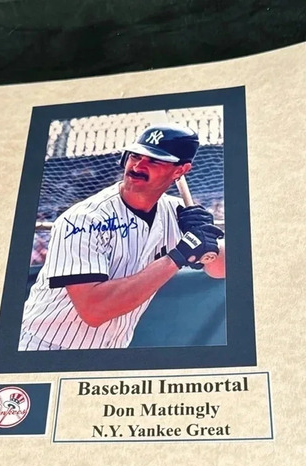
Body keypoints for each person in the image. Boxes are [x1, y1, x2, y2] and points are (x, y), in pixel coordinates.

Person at [19, 123, 225, 351]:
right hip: (45, 346)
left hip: (112, 349)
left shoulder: (178, 212)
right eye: (135, 156)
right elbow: (94, 310)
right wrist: (178, 256)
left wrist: (207, 239)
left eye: (154, 161)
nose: (138, 166)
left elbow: (222, 269)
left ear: (180, 170)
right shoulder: (82, 219)